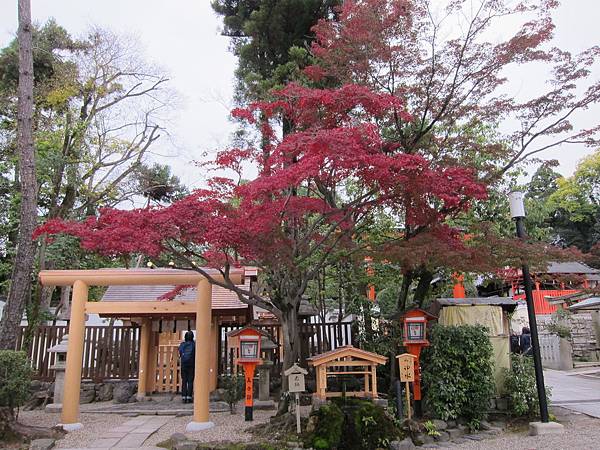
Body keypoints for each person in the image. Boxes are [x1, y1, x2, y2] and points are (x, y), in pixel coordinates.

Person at [179, 331, 195, 403]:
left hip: (183, 364)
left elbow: (180, 352)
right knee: (190, 380)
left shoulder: (182, 344)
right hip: (191, 364)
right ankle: (189, 397)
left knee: (184, 381)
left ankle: (183, 397)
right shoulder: (194, 344)